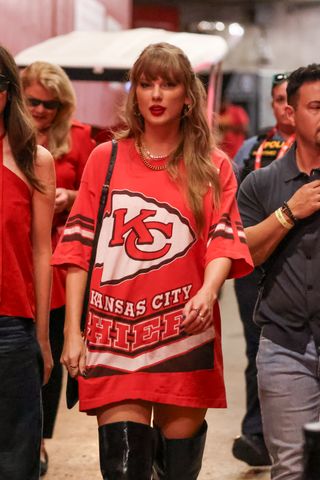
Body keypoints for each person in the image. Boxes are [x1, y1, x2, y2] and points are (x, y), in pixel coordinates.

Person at [52, 42, 253, 479]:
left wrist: (208, 289)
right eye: (147, 84)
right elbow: (77, 247)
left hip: (184, 332)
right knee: (123, 470)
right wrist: (72, 332)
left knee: (178, 471)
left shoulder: (212, 165)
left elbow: (224, 239)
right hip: (112, 334)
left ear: (188, 95)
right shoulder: (104, 159)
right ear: (136, 94)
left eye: (169, 84)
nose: (157, 94)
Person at [237, 63, 320, 480]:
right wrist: (291, 211)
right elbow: (244, 255)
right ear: (290, 111)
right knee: (291, 469)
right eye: (317, 107)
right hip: (285, 347)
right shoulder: (260, 183)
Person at [20, 61, 96, 476]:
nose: (42, 109)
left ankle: (41, 440)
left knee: (45, 355)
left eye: (51, 103)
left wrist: (67, 196)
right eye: (33, 101)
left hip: (60, 260)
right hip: (16, 254)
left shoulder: (81, 138)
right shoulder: (13, 136)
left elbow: (94, 193)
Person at [231, 72, 295, 466]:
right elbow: (232, 202)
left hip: (301, 263)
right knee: (258, 347)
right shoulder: (252, 148)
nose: (284, 106)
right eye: (277, 99)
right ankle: (256, 433)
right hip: (255, 263)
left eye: (291, 98)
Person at [0, 46, 55, 479]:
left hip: (11, 326)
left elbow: (42, 250)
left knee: (17, 458)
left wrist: (42, 338)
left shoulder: (32, 159)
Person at [218, 95, 249, 160]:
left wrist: (228, 125)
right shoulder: (217, 113)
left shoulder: (237, 111)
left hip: (237, 153)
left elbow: (245, 128)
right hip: (223, 154)